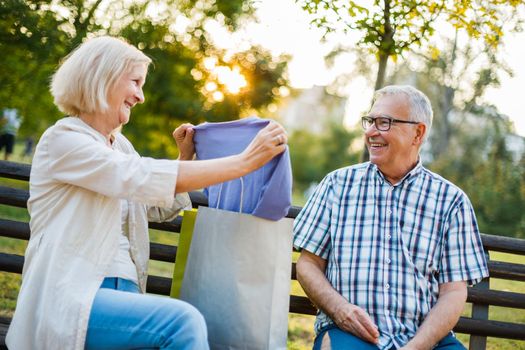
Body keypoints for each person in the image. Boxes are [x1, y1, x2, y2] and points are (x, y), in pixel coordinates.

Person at [6, 36, 288, 350]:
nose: (141, 97)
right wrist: (246, 161)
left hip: (121, 293)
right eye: (136, 82)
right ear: (104, 77)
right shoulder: (63, 140)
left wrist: (184, 160)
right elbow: (136, 177)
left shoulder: (119, 146)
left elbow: (152, 205)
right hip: (72, 297)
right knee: (182, 323)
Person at [293, 85, 488, 350]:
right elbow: (308, 264)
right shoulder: (336, 185)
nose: (371, 131)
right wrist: (340, 310)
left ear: (417, 133)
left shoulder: (451, 201)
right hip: (350, 334)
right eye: (370, 121)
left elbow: (453, 292)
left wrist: (417, 346)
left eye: (384, 123)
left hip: (427, 341)